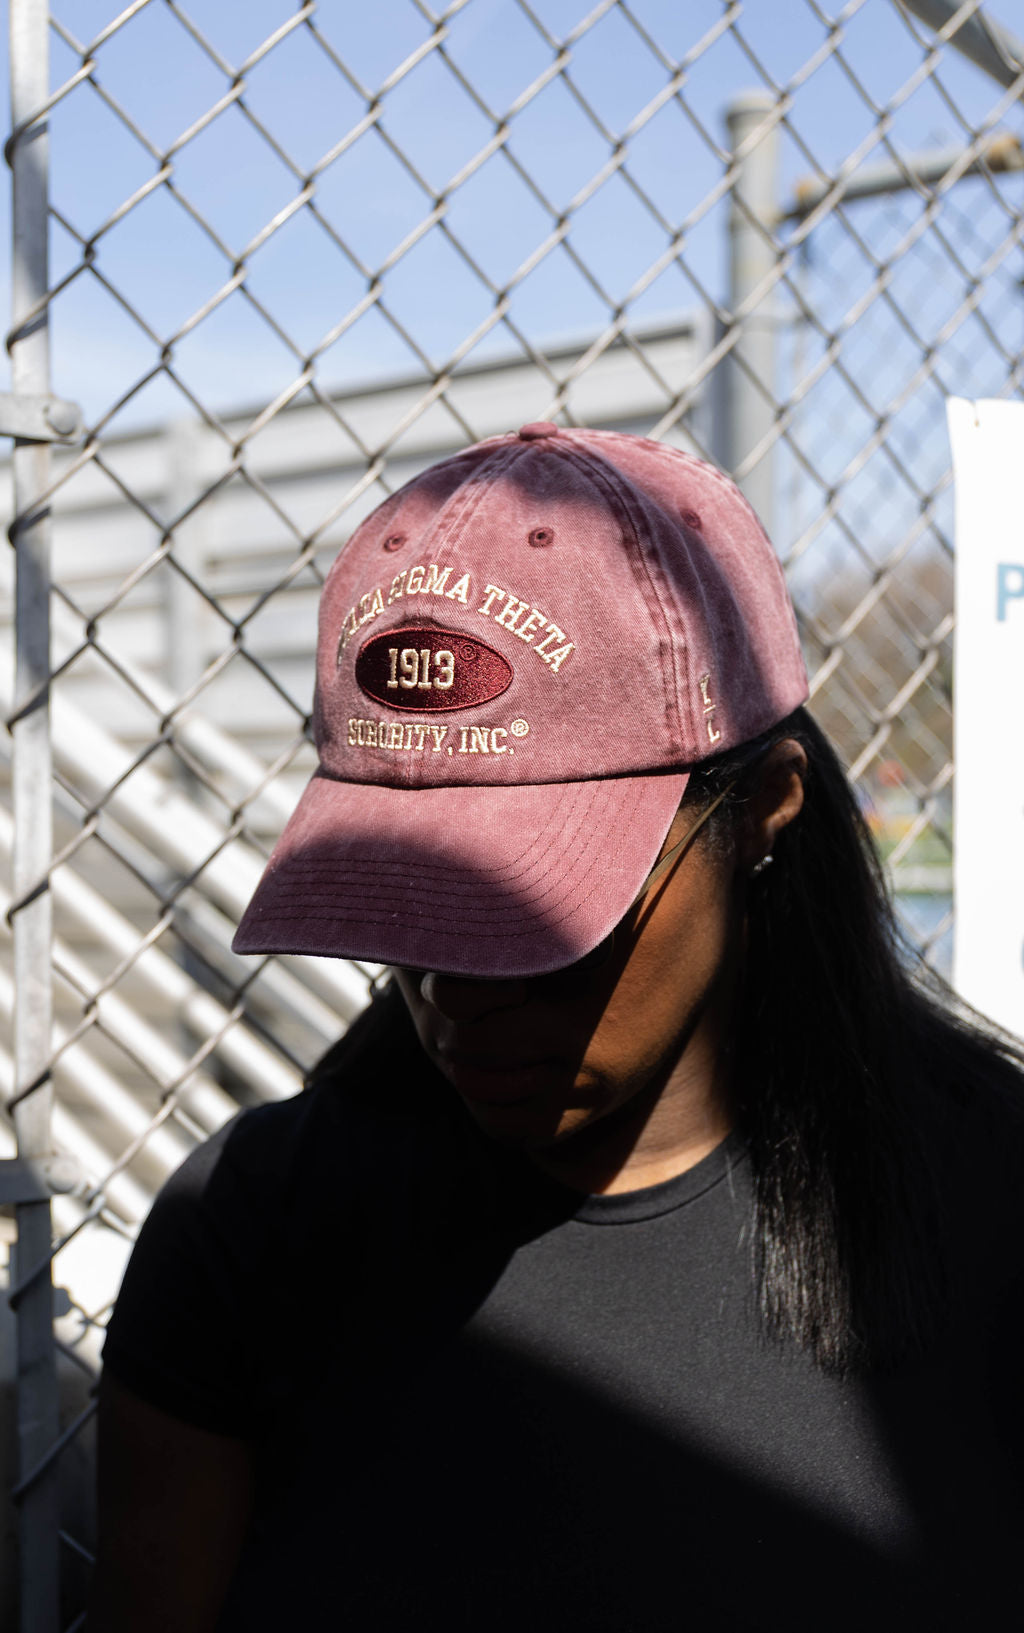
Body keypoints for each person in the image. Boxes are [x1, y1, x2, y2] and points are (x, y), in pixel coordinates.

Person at [90, 424, 1024, 1632]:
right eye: (407, 897)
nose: (457, 987)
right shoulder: (252, 1230)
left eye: (543, 909)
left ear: (763, 813)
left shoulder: (992, 1201)